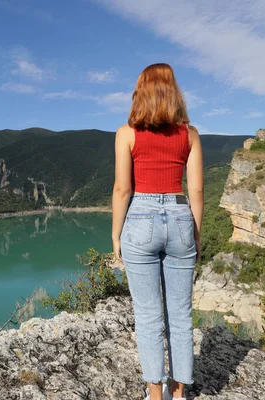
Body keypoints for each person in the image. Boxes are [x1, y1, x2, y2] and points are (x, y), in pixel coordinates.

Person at [111, 63, 203, 400]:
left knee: (148, 316)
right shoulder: (189, 135)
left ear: (141, 93)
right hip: (180, 216)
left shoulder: (126, 133)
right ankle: (178, 394)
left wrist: (116, 235)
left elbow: (123, 189)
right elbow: (196, 191)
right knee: (180, 314)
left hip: (140, 219)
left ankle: (154, 393)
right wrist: (195, 233)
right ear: (173, 92)